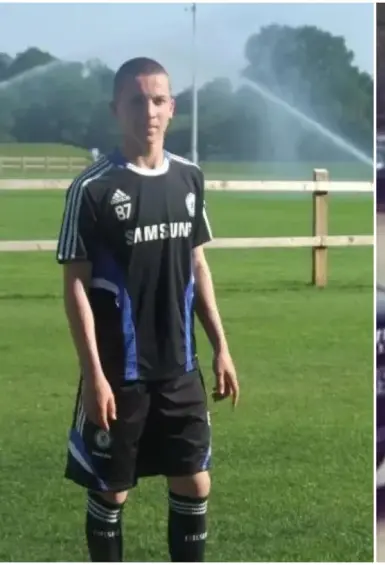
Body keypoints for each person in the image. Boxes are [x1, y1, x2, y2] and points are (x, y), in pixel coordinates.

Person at [56, 57, 239, 562]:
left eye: (158, 100)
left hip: (181, 367)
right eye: (137, 101)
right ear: (116, 109)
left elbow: (197, 265)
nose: (149, 111)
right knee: (111, 491)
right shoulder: (91, 189)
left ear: (172, 108)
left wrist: (222, 348)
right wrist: (95, 376)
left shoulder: (189, 178)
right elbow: (75, 287)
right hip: (120, 372)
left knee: (194, 482)